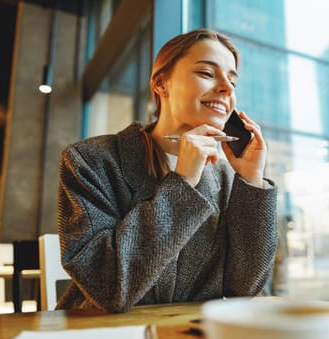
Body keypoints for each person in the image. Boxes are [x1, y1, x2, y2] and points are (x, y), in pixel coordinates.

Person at [56, 28, 278, 313]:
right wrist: (183, 182)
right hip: (103, 335)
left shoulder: (224, 177)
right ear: (161, 83)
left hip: (191, 336)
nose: (227, 88)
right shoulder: (90, 161)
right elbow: (109, 286)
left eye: (232, 80)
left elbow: (244, 287)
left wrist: (251, 181)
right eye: (207, 74)